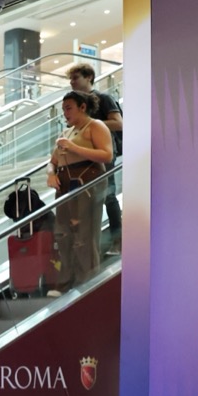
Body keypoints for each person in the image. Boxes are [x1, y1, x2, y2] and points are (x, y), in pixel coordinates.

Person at [45, 90, 115, 297]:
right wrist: (50, 174)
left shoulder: (95, 126)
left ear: (82, 107)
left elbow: (107, 154)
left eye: (69, 108)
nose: (65, 113)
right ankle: (64, 281)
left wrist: (73, 147)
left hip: (87, 181)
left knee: (85, 232)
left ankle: (88, 280)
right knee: (63, 233)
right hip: (65, 183)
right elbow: (53, 161)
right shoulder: (66, 132)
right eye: (63, 109)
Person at [67, 62, 124, 253]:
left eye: (75, 78)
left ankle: (119, 241)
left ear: (89, 77)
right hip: (84, 156)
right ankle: (91, 245)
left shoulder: (104, 98)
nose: (72, 82)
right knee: (89, 199)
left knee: (108, 194)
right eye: (71, 79)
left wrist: (92, 125)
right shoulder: (77, 106)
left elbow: (119, 124)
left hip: (104, 152)